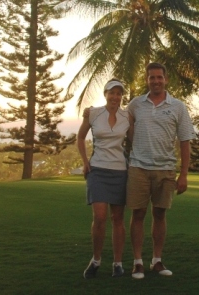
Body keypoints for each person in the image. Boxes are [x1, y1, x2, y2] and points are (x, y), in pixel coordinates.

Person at [126, 62, 196, 279]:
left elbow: (185, 140)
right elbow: (124, 130)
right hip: (138, 167)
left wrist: (183, 174)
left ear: (166, 79)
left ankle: (157, 260)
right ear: (146, 80)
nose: (155, 81)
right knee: (138, 214)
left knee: (159, 214)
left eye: (159, 77)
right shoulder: (135, 104)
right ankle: (137, 262)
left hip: (165, 169)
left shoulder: (178, 106)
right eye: (151, 77)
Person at [77, 79, 131, 279]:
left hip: (119, 171)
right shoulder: (92, 113)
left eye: (119, 94)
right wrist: (84, 161)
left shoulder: (127, 116)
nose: (115, 97)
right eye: (112, 93)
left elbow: (133, 140)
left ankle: (117, 263)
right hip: (97, 170)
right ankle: (96, 260)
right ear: (105, 94)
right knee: (99, 218)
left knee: (117, 219)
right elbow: (80, 137)